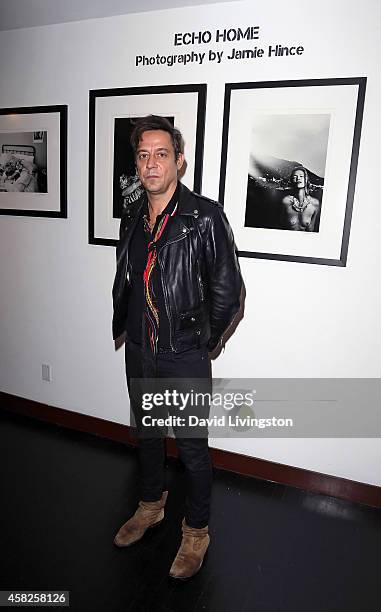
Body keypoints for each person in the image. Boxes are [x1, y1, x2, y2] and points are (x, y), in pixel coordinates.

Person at [112, 115, 243, 579]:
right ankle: (150, 505)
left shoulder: (203, 217)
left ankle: (197, 532)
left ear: (179, 161)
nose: (151, 164)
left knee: (191, 448)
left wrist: (203, 342)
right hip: (141, 351)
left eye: (161, 154)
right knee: (147, 435)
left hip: (183, 352)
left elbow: (229, 293)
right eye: (143, 155)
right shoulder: (133, 216)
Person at [281, 166, 320, 231]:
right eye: (295, 177)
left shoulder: (315, 203)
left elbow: (312, 230)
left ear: (306, 179)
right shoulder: (286, 201)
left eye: (301, 176)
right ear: (292, 180)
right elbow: (281, 226)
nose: (298, 178)